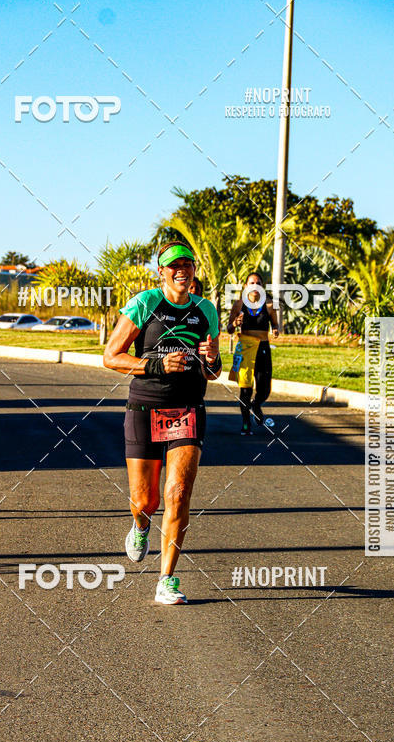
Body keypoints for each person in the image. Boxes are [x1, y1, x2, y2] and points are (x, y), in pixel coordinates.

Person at [103, 241, 221, 604]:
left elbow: (213, 372)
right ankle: (140, 526)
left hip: (187, 409)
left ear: (194, 269)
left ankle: (166, 579)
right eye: (174, 265)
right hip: (145, 408)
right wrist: (156, 364)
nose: (181, 270)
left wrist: (213, 358)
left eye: (187, 263)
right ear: (162, 272)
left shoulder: (206, 311)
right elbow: (111, 356)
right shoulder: (145, 304)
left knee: (178, 494)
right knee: (145, 500)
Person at [227, 272, 279, 435]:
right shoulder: (238, 304)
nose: (255, 286)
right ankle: (245, 423)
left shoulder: (269, 304)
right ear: (245, 287)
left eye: (258, 283)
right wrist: (235, 323)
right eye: (251, 283)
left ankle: (256, 404)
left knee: (264, 389)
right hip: (246, 349)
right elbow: (229, 328)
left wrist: (276, 329)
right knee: (245, 389)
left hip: (263, 348)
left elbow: (275, 324)